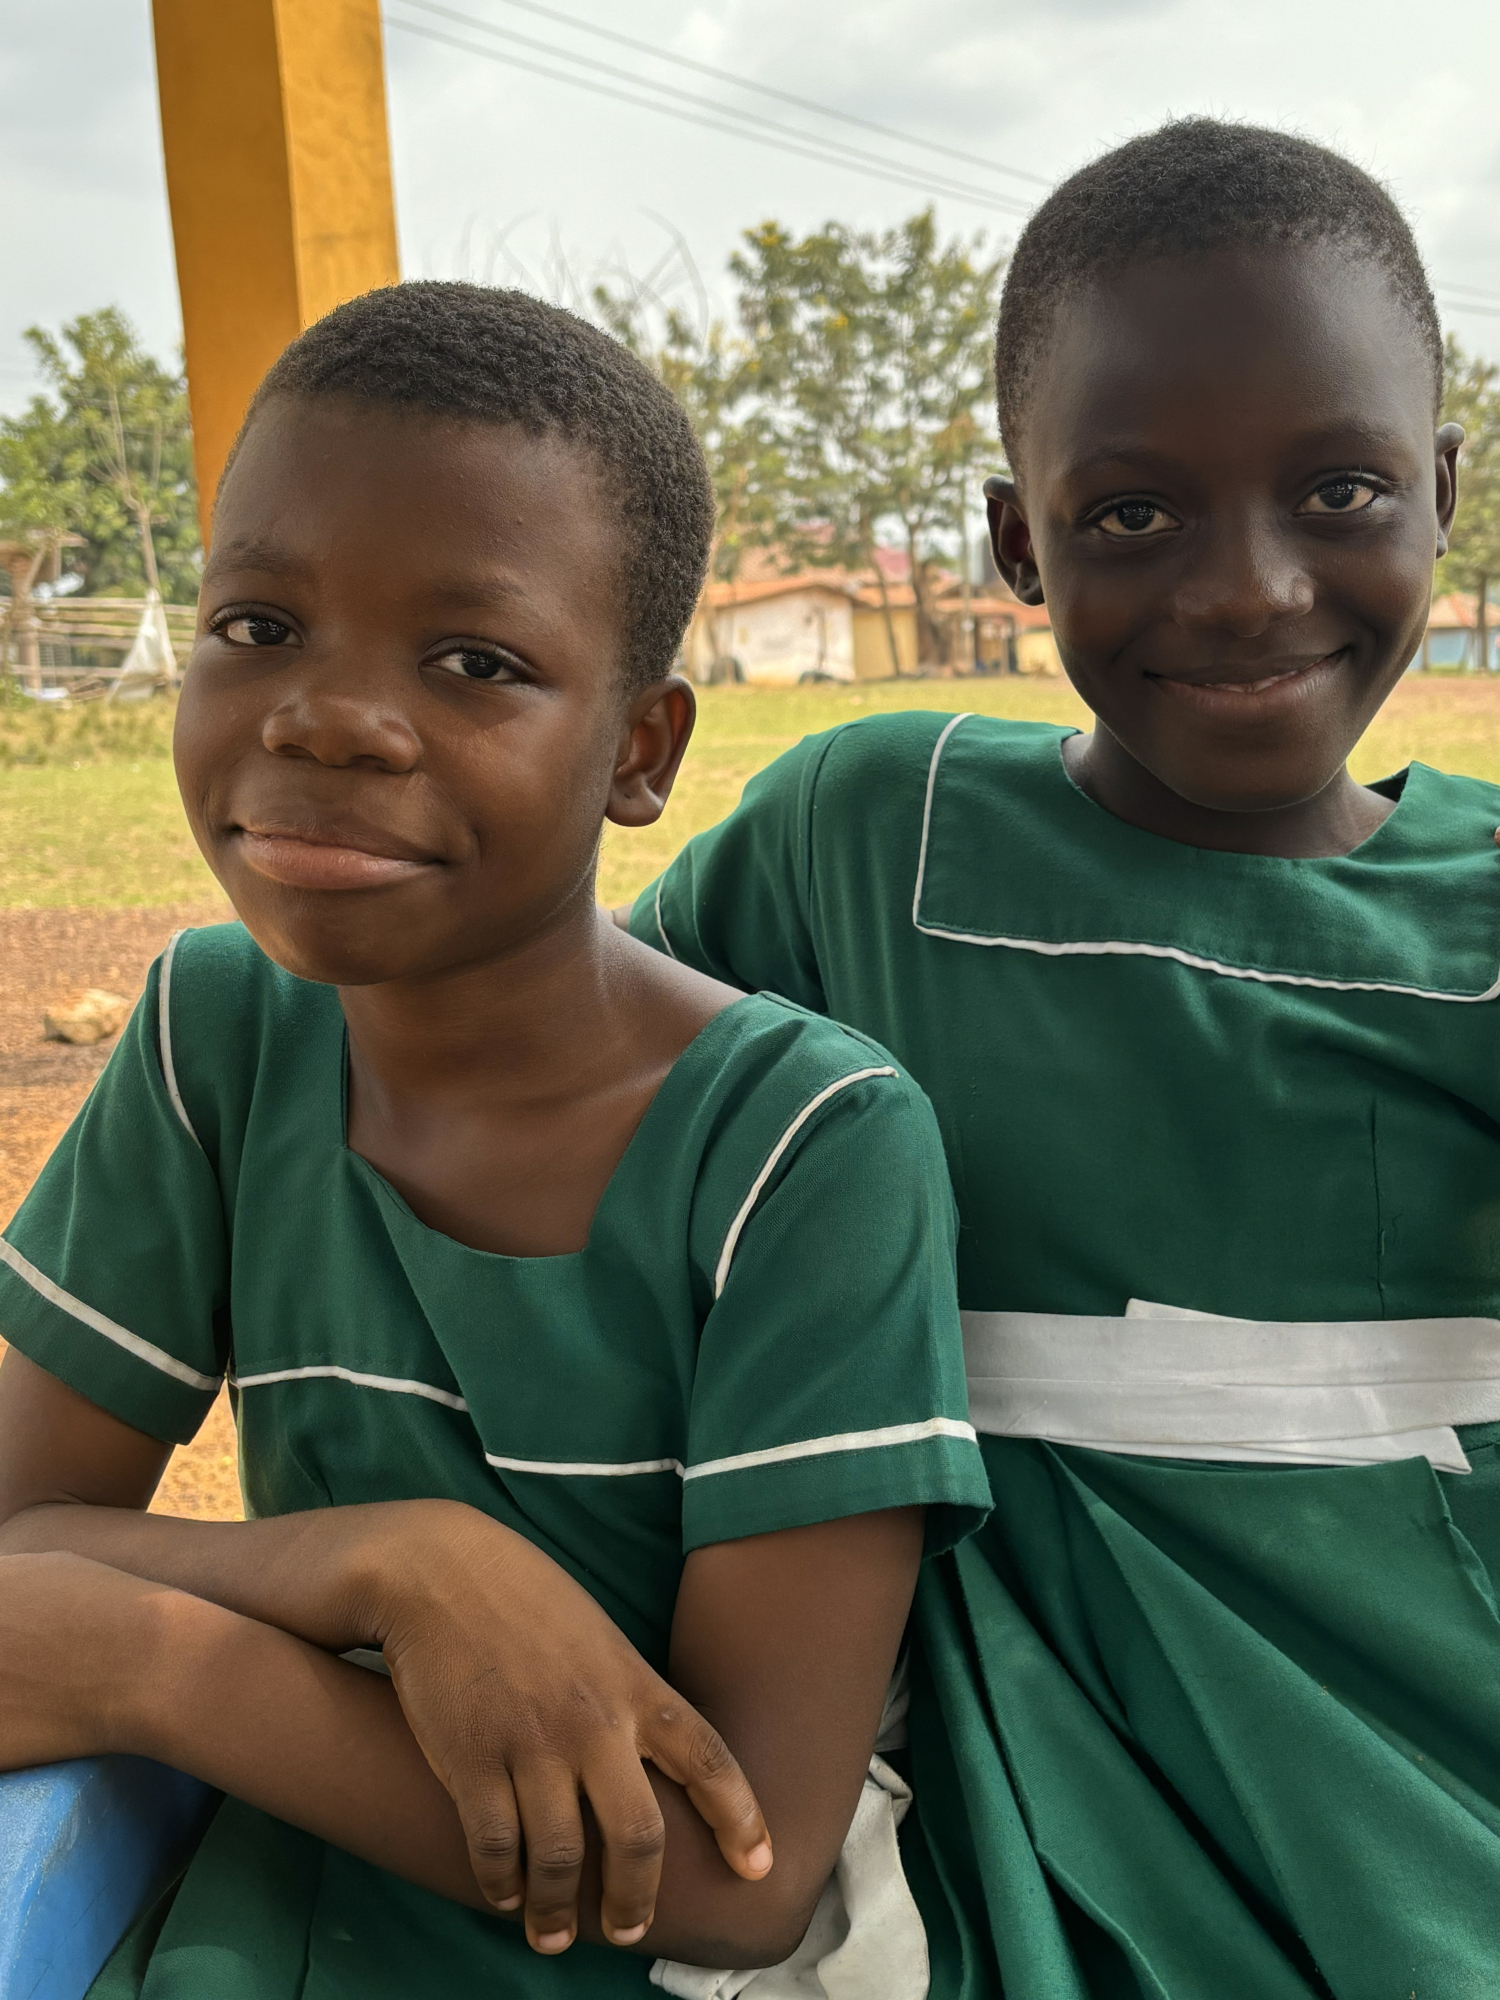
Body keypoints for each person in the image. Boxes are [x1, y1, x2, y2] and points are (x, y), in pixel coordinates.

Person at [0, 283, 991, 1999]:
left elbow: (737, 1871)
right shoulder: (222, 1038)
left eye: (476, 663)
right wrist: (392, 1562)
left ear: (639, 750)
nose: (326, 719)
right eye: (258, 625)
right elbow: (18, 1551)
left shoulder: (803, 1147)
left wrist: (159, 1667)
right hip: (274, 1929)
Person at [622, 119, 1500, 1995]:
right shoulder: (873, 840)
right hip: (982, 1871)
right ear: (1018, 541)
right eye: (1133, 516)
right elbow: (552, 1086)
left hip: (1425, 1848)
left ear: (1442, 493)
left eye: (1341, 490)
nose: (1249, 588)